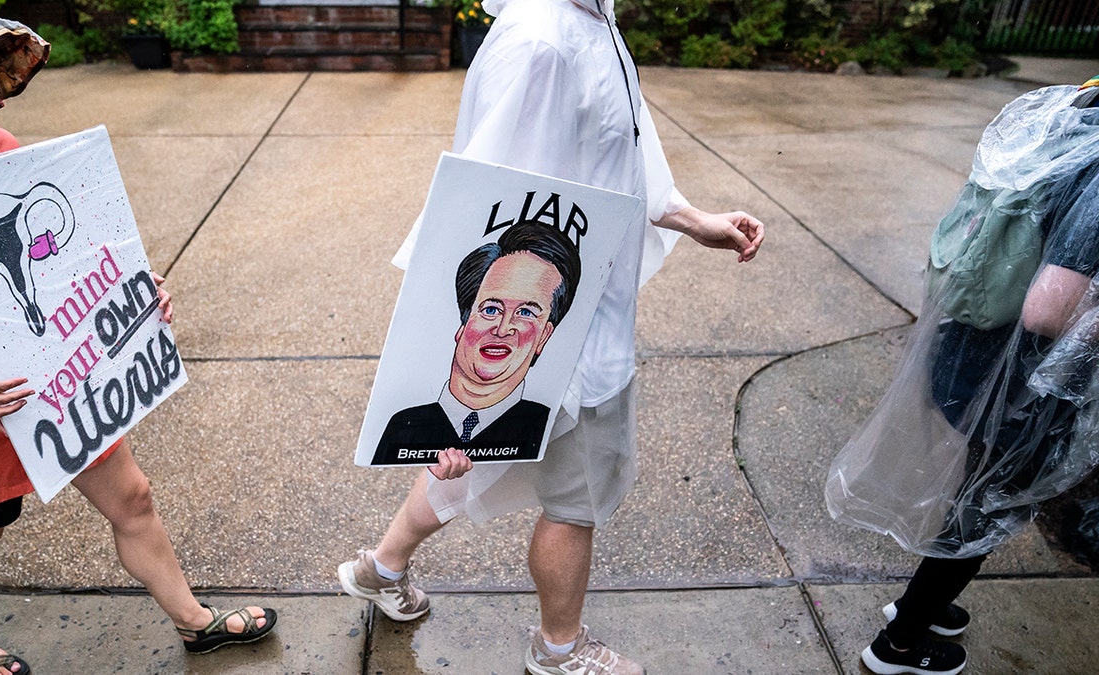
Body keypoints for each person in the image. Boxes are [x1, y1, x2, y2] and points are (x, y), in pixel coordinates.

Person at [339, 0, 764, 673]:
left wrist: (688, 216)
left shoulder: (592, 19)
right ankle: (559, 649)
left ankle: (382, 566)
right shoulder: (545, 41)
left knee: (496, 457)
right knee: (576, 499)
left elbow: (621, 151)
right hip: (570, 340)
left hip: (572, 323)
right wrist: (437, 395)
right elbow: (479, 207)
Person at [0, 3, 277, 673]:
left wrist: (134, 290)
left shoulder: (4, 149)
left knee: (132, 496)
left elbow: (72, 261)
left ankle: (193, 619)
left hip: (60, 375)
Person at [826, 76, 1099, 675]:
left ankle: (917, 603)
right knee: (987, 506)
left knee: (975, 494)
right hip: (1020, 384)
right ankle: (898, 646)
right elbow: (1049, 309)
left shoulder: (1072, 109)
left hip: (971, 347)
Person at [371, 221, 581, 465]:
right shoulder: (401, 426)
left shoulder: (545, 428)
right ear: (463, 323)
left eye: (526, 313)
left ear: (544, 336)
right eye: (491, 309)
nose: (503, 329)